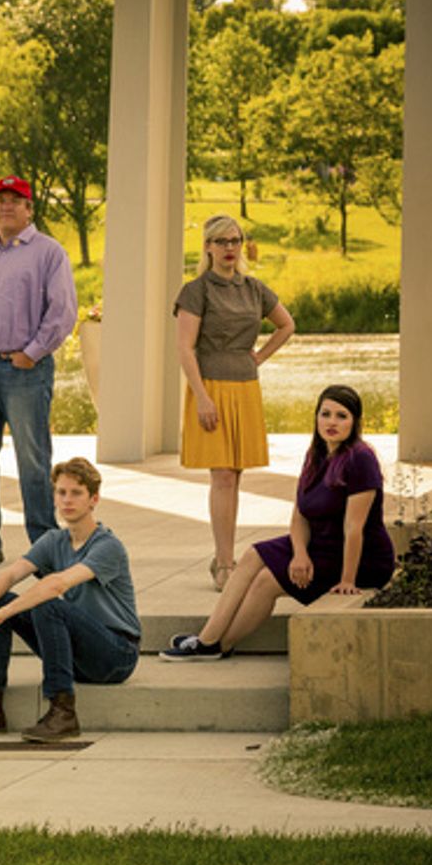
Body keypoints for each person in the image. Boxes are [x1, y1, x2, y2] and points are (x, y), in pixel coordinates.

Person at [161, 385, 395, 661]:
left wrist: (347, 580)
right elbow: (300, 514)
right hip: (322, 545)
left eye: (342, 416)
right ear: (316, 417)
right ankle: (208, 639)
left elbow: (354, 528)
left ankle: (215, 644)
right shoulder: (316, 455)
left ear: (355, 422)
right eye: (325, 414)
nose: (332, 422)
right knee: (253, 555)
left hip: (360, 559)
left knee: (267, 581)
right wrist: (299, 553)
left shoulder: (360, 459)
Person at [0, 458, 140, 743]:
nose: (67, 500)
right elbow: (9, 575)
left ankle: (63, 712)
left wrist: (5, 614)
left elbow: (55, 584)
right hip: (78, 652)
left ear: (93, 499)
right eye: (61, 493)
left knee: (48, 605)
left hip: (116, 654)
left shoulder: (107, 546)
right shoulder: (54, 540)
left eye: (76, 493)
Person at [0, 175, 77, 567]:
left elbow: (62, 312)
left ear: (29, 208)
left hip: (23, 370)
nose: (6, 206)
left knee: (33, 459)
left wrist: (32, 353)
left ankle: (44, 544)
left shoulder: (48, 252)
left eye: (14, 200)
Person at [176, 214, 294, 590]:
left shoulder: (254, 288)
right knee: (222, 475)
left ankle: (224, 557)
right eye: (222, 241)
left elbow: (286, 325)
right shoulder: (196, 290)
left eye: (235, 240)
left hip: (245, 387)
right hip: (210, 385)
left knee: (236, 475)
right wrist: (202, 397)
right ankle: (224, 562)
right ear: (208, 246)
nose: (230, 248)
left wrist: (258, 357)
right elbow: (185, 348)